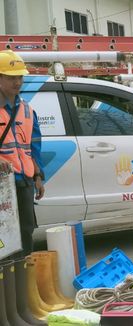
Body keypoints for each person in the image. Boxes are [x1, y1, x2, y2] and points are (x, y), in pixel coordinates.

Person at [0, 50, 45, 257]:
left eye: (20, 77)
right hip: (2, 184)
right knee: (4, 235)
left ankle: (24, 279)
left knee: (26, 230)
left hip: (24, 180)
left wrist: (38, 176)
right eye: (11, 78)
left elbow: (33, 147)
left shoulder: (27, 110)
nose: (17, 82)